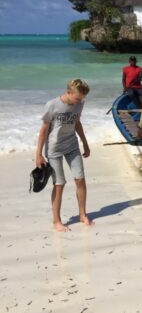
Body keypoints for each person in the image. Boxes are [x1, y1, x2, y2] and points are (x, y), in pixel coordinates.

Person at [35, 79, 93, 231]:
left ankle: (82, 214)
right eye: (77, 98)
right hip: (54, 149)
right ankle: (57, 221)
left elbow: (77, 123)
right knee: (59, 184)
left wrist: (85, 143)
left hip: (72, 145)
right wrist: (38, 155)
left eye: (82, 99)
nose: (79, 101)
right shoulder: (52, 105)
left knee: (80, 179)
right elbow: (43, 130)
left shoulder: (79, 103)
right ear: (68, 92)